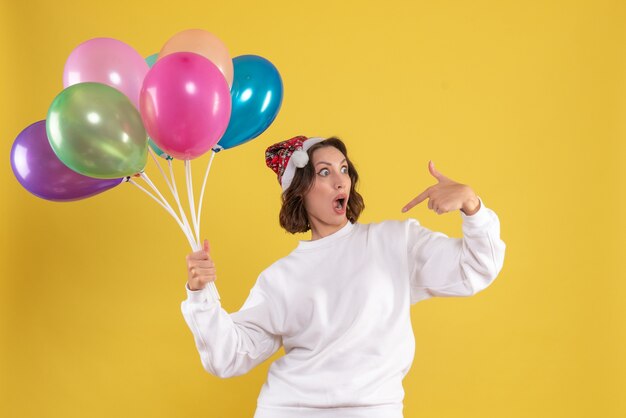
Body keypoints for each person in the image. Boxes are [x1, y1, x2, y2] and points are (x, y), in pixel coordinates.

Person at [181, 135, 506, 418]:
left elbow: (475, 269)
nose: (341, 182)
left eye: (344, 169)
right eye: (325, 172)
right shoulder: (280, 277)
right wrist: (200, 294)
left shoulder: (395, 242)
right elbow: (228, 357)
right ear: (300, 190)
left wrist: (472, 207)